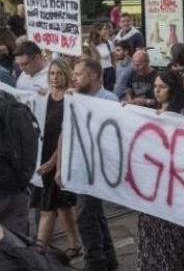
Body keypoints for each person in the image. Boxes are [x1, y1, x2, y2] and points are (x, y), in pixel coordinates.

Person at [136, 70, 184, 271]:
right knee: (154, 241)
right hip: (152, 188)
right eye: (155, 87)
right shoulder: (149, 113)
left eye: (162, 87)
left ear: (172, 89)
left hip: (176, 190)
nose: (157, 91)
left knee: (181, 239)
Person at [56, 57, 119, 271]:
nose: (73, 78)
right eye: (73, 74)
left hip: (100, 170)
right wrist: (60, 167)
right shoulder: (74, 99)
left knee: (85, 216)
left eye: (79, 74)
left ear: (92, 75)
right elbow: (66, 132)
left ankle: (94, 263)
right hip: (81, 168)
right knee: (94, 216)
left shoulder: (109, 100)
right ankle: (108, 260)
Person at [30, 59, 81, 257]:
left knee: (47, 207)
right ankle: (75, 244)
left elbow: (67, 133)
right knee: (62, 205)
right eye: (52, 73)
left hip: (61, 158)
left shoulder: (71, 97)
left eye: (59, 73)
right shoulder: (45, 96)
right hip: (43, 157)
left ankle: (39, 251)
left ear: (67, 74)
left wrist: (53, 161)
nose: (55, 77)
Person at [88, 23, 115, 91]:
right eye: (104, 29)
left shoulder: (109, 43)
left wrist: (114, 68)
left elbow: (113, 58)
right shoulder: (91, 44)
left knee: (109, 90)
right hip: (98, 70)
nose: (106, 31)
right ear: (98, 31)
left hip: (109, 70)